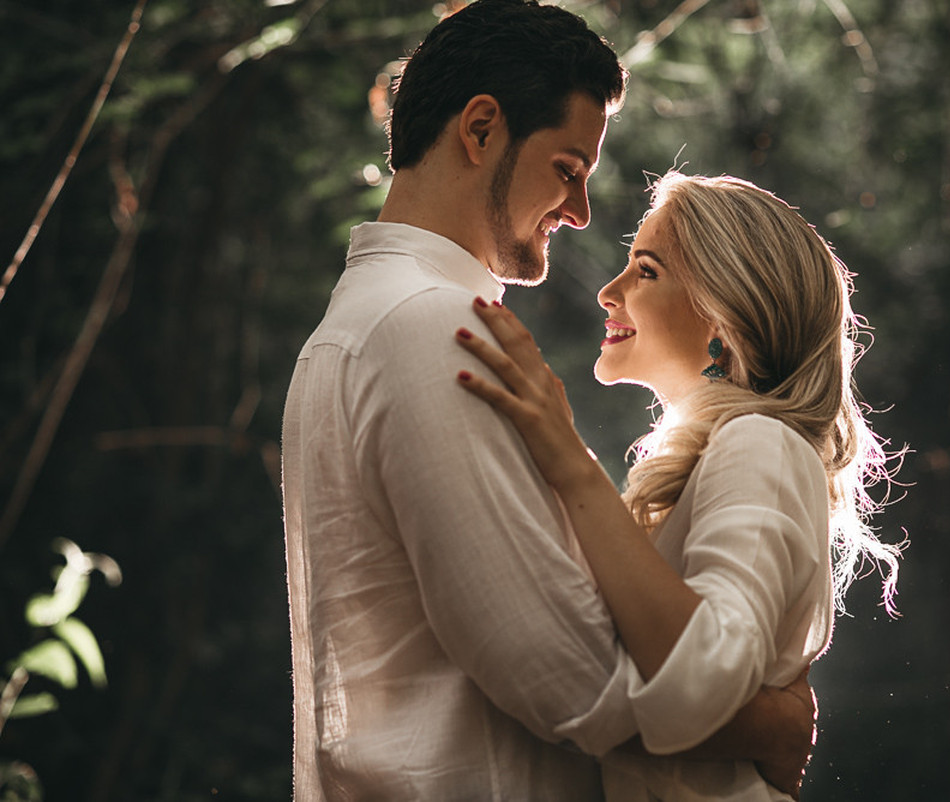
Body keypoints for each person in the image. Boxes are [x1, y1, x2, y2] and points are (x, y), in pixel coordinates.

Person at [281, 1, 816, 799]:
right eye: (568, 169)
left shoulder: (352, 329)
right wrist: (771, 723)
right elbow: (574, 675)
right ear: (481, 129)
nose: (580, 212)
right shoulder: (433, 328)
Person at [455, 171, 903, 800]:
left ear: (724, 316)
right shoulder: (716, 455)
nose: (609, 293)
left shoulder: (760, 444)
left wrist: (568, 457)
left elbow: (700, 684)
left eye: (646, 271)